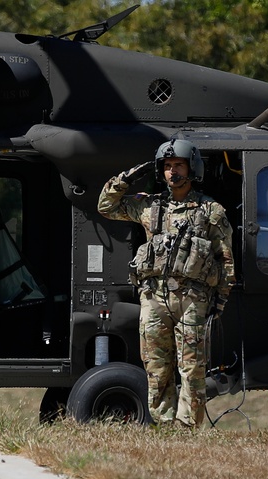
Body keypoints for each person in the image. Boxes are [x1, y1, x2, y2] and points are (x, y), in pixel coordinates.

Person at [97, 137, 235, 428]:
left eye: (179, 165)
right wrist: (130, 176)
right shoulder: (149, 207)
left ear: (192, 168)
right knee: (157, 369)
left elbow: (226, 261)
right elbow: (106, 206)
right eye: (168, 166)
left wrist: (219, 302)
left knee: (192, 370)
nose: (173, 172)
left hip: (192, 300)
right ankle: (163, 426)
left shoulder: (211, 212)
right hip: (154, 299)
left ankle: (187, 430)